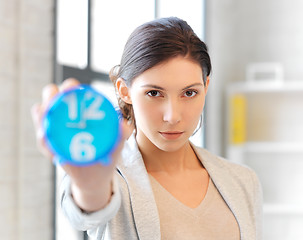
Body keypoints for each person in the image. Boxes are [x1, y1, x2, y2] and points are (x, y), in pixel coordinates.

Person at [32, 17, 262, 240]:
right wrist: (90, 187)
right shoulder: (109, 178)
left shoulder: (243, 181)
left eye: (189, 93)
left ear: (206, 87)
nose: (172, 116)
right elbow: (88, 209)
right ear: (124, 91)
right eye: (154, 93)